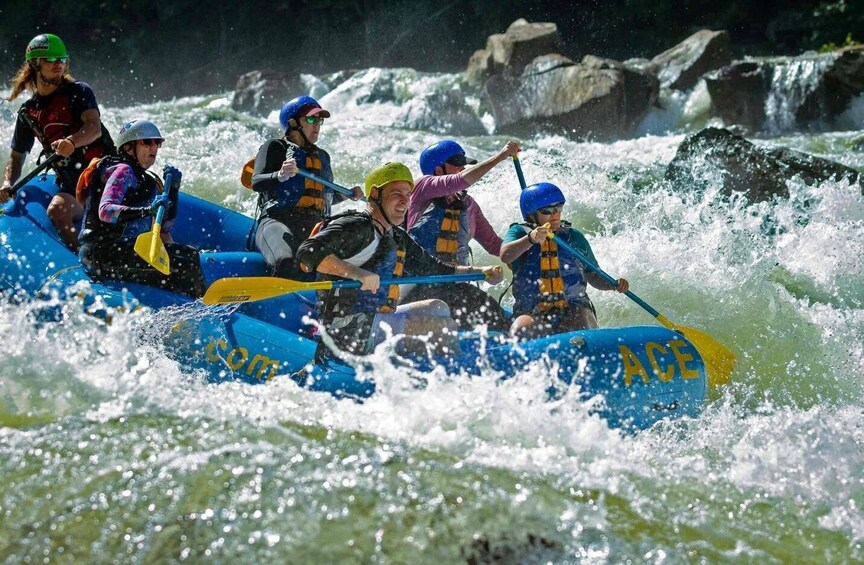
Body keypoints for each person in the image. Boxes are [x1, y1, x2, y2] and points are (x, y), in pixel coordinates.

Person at [296, 162, 503, 359]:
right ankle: (452, 376)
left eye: (407, 195)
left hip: (375, 320)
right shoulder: (356, 225)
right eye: (396, 194)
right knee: (442, 327)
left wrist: (481, 271)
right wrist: (356, 273)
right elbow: (308, 252)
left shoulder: (396, 236)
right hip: (346, 330)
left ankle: (422, 361)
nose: (405, 201)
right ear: (375, 195)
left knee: (437, 307)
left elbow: (433, 268)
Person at [0, 33, 114, 251]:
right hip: (72, 183)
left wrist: (71, 141)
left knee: (59, 209)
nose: (58, 64)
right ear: (35, 64)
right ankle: (81, 259)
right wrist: (7, 184)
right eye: (51, 60)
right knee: (57, 211)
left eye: (61, 59)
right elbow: (16, 157)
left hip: (103, 173)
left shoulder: (79, 92)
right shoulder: (29, 113)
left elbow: (93, 127)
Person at [78, 119, 205, 298]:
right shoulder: (122, 171)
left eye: (157, 142)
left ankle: (194, 302)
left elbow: (165, 227)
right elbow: (105, 211)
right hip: (101, 252)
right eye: (146, 142)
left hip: (127, 250)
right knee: (186, 265)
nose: (153, 147)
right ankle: (197, 309)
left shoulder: (148, 181)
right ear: (129, 147)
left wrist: (174, 190)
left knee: (190, 255)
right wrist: (146, 211)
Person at [404, 139, 521, 331]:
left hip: (454, 284)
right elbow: (459, 181)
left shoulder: (469, 205)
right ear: (438, 169)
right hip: (417, 284)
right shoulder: (422, 188)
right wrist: (500, 156)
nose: (462, 167)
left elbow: (494, 245)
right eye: (456, 162)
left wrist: (524, 252)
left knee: (498, 323)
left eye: (463, 163)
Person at [251, 94, 362, 278]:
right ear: (293, 123)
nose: (317, 124)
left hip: (313, 227)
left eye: (319, 120)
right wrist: (280, 175)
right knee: (286, 261)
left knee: (343, 267)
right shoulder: (275, 147)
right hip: (277, 221)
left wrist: (345, 195)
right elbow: (257, 182)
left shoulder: (323, 157)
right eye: (311, 119)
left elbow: (321, 198)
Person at [500, 182, 629, 337]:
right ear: (531, 214)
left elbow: (593, 276)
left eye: (558, 207)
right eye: (547, 210)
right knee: (521, 331)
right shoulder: (520, 232)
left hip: (573, 308)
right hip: (532, 311)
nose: (555, 214)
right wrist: (530, 239)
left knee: (584, 324)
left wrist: (613, 285)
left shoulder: (574, 237)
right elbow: (505, 255)